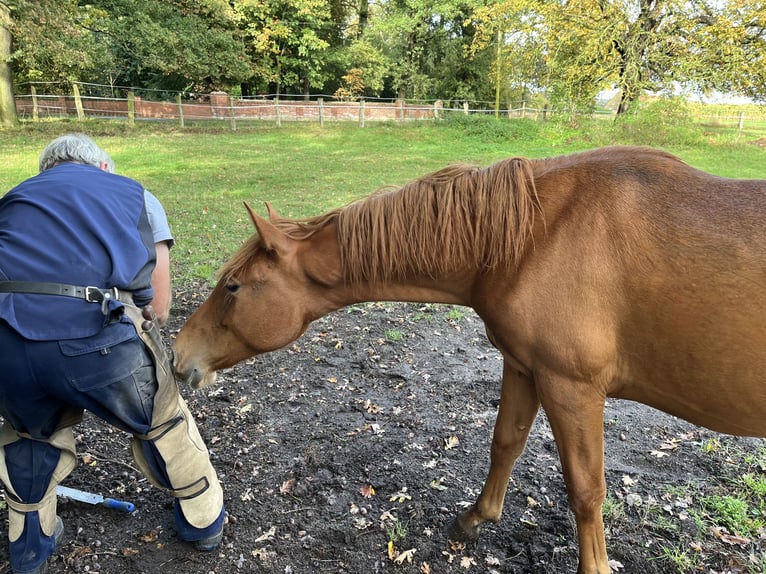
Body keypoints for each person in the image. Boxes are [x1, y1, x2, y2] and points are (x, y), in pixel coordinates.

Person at [0, 134, 225, 574]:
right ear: (104, 167)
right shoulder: (132, 192)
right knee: (162, 421)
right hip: (96, 344)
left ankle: (29, 548)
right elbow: (156, 305)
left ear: (45, 171)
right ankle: (203, 523)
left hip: (6, 345)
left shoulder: (13, 198)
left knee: (28, 435)